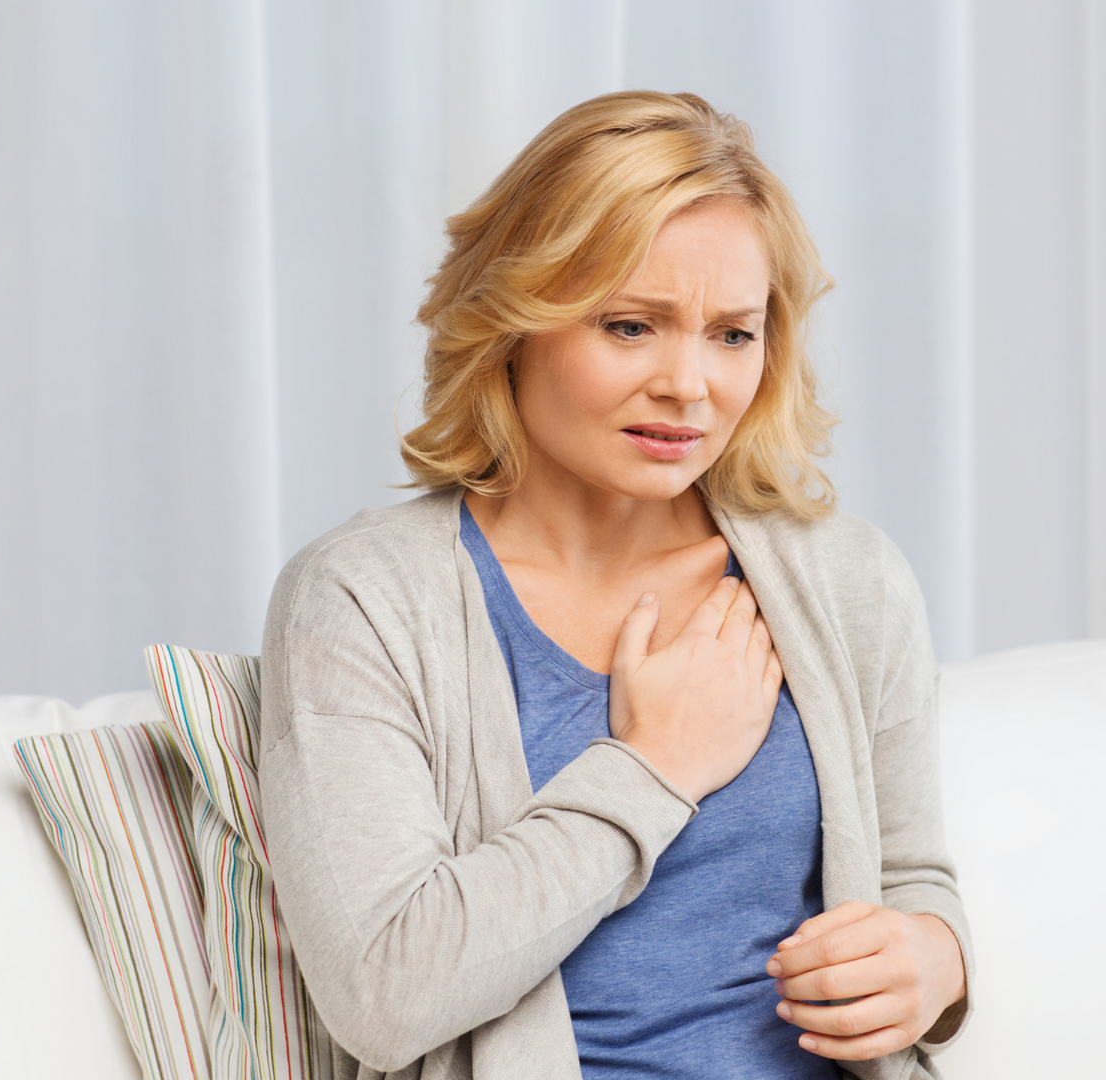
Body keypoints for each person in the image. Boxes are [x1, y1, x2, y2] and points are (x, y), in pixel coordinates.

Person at [258, 90, 971, 1080]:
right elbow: (382, 995)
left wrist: (936, 962)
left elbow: (912, 878)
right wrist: (656, 766)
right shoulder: (363, 598)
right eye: (632, 327)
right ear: (516, 323)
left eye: (732, 334)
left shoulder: (849, 582)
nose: (691, 385)